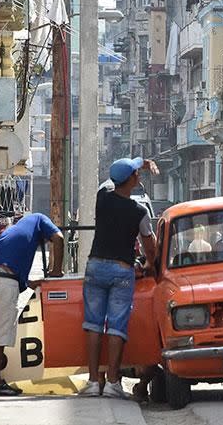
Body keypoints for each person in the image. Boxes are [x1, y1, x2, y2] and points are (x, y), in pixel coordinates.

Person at [79, 157, 159, 399]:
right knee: (116, 326)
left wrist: (137, 166)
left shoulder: (102, 199)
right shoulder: (139, 211)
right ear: (133, 180)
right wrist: (149, 263)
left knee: (93, 325)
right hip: (122, 270)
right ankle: (113, 382)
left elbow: (110, 180)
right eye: (136, 173)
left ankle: (94, 381)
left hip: (95, 267)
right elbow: (150, 245)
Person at [0, 213, 64, 396]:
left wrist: (31, 283)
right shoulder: (40, 219)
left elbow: (12, 269)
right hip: (3, 283)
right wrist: (56, 271)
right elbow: (59, 238)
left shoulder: (13, 232)